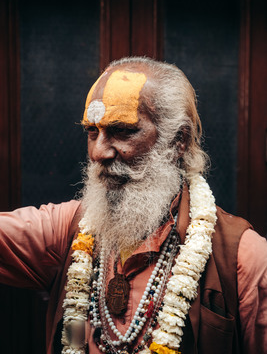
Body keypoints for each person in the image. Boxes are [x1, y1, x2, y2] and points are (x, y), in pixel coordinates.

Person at [0, 57, 267, 354]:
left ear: (178, 141)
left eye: (122, 130)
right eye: (92, 131)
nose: (99, 152)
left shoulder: (243, 256)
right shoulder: (69, 229)